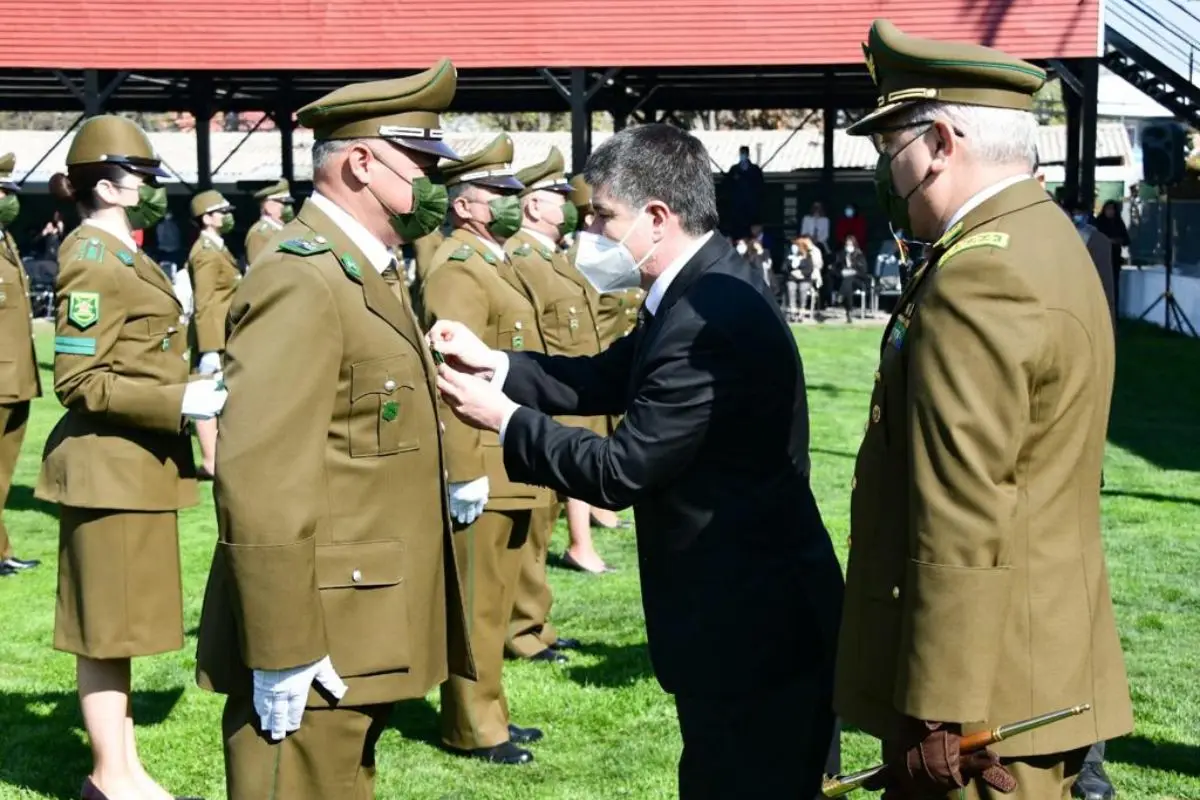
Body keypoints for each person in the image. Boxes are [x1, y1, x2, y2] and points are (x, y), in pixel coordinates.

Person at [431, 123, 844, 798]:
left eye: (601, 216)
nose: (585, 230)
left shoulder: (708, 316)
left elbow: (620, 470)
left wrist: (501, 419)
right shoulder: (693, 288)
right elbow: (603, 376)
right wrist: (497, 364)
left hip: (752, 630)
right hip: (736, 617)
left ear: (657, 216)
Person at [836, 20, 1133, 800]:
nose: (882, 167)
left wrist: (940, 708)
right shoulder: (1044, 239)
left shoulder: (979, 278)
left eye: (887, 144)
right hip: (1031, 661)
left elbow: (965, 504)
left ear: (938, 140)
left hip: (983, 703)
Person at [193, 60, 475, 800]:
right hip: (317, 627)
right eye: (421, 163)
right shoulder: (303, 276)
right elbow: (260, 476)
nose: (433, 183)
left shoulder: (362, 269)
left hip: (361, 616)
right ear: (360, 163)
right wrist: (283, 645)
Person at [35, 114, 225, 800]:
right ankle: (112, 778)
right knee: (105, 631)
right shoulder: (91, 256)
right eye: (142, 179)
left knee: (119, 629)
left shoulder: (122, 252)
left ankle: (123, 769)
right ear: (110, 189)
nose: (151, 191)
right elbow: (78, 382)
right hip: (107, 469)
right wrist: (181, 402)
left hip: (133, 469)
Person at [416, 133, 550, 766]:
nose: (509, 202)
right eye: (498, 193)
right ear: (466, 205)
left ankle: (491, 713)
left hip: (509, 457)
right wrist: (462, 469)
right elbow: (451, 373)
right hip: (482, 461)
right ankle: (472, 726)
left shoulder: (490, 262)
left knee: (494, 602)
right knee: (477, 603)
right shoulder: (458, 268)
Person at [501, 145, 600, 667]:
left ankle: (535, 622)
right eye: (557, 197)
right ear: (534, 205)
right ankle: (522, 627)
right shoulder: (520, 256)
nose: (568, 205)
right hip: (546, 398)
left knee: (543, 519)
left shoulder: (549, 255)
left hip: (570, 394)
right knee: (533, 520)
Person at [566, 173, 637, 531]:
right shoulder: (585, 257)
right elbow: (586, 315)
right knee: (591, 440)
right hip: (598, 357)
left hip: (616, 354)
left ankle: (601, 510)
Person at [0, 153, 42, 578]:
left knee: (3, 472)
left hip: (16, 374)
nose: (8, 200)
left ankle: (2, 550)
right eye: (2, 192)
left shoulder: (5, 239)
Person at [186, 189, 240, 478]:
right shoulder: (206, 252)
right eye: (222, 212)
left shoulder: (216, 246)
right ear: (207, 218)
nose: (227, 217)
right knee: (205, 392)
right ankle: (210, 460)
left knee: (218, 393)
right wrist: (208, 348)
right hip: (214, 336)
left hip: (223, 333)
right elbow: (204, 303)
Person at [242, 178, 294, 266]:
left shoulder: (282, 230)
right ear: (268, 206)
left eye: (289, 204)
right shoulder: (259, 234)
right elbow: (259, 270)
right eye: (283, 203)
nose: (288, 208)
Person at [1093, 200, 1130, 318]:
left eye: (1112, 209)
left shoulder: (1118, 223)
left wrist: (1117, 241)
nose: (1110, 212)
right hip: (1101, 259)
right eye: (1108, 209)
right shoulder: (1099, 222)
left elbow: (1126, 240)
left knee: (1114, 286)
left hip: (1114, 260)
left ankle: (1113, 313)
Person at [785, 236, 821, 322]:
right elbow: (784, 267)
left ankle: (802, 311)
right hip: (792, 278)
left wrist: (801, 273)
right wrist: (793, 272)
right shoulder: (790, 256)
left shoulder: (808, 256)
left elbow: (810, 269)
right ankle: (792, 311)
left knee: (803, 289)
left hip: (804, 279)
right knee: (791, 288)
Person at [835, 234, 870, 322]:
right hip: (844, 281)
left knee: (849, 280)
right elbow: (835, 269)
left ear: (854, 245)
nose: (848, 246)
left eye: (850, 244)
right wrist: (842, 272)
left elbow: (863, 272)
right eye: (847, 244)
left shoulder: (859, 255)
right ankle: (849, 312)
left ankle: (840, 296)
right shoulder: (841, 255)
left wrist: (853, 271)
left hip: (858, 280)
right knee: (848, 285)